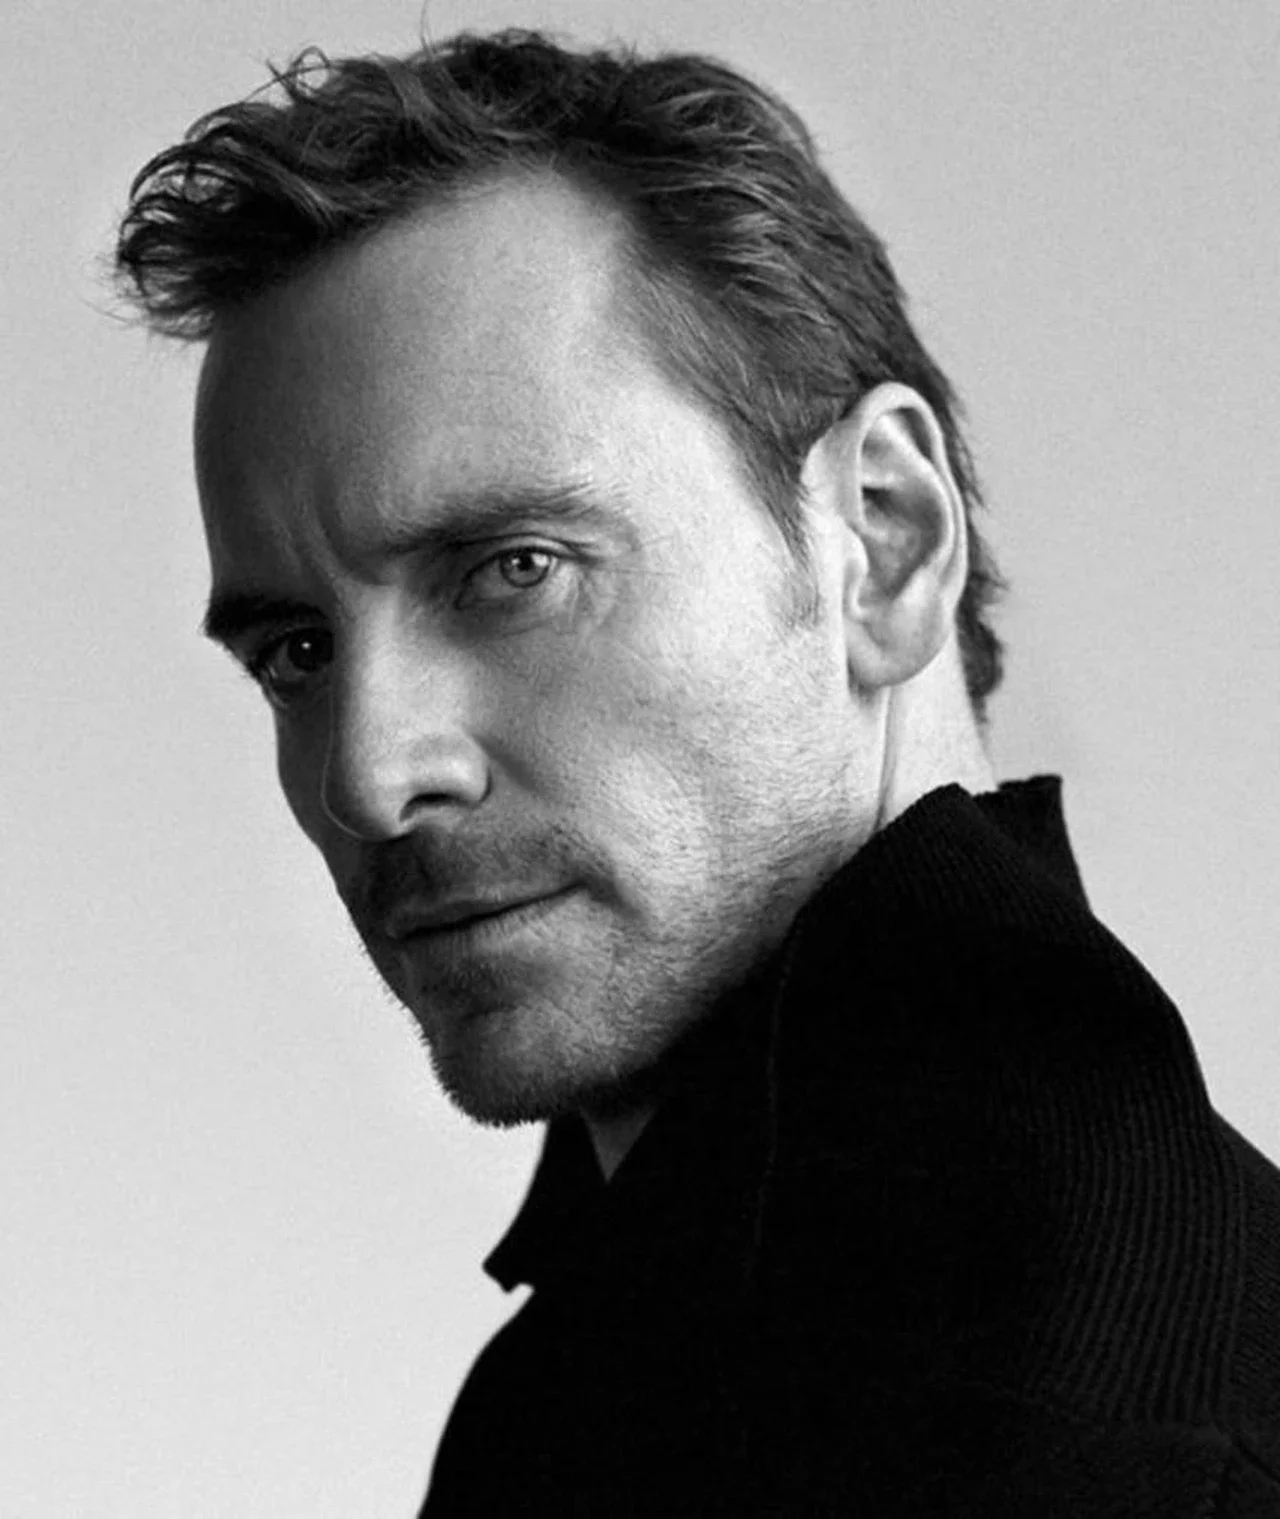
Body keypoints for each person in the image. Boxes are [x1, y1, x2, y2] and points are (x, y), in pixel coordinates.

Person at [114, 27, 1280, 1516]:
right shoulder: (618, 1366)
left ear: (885, 539)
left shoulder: (1090, 1438)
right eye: (295, 650)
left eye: (514, 569)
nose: (369, 772)